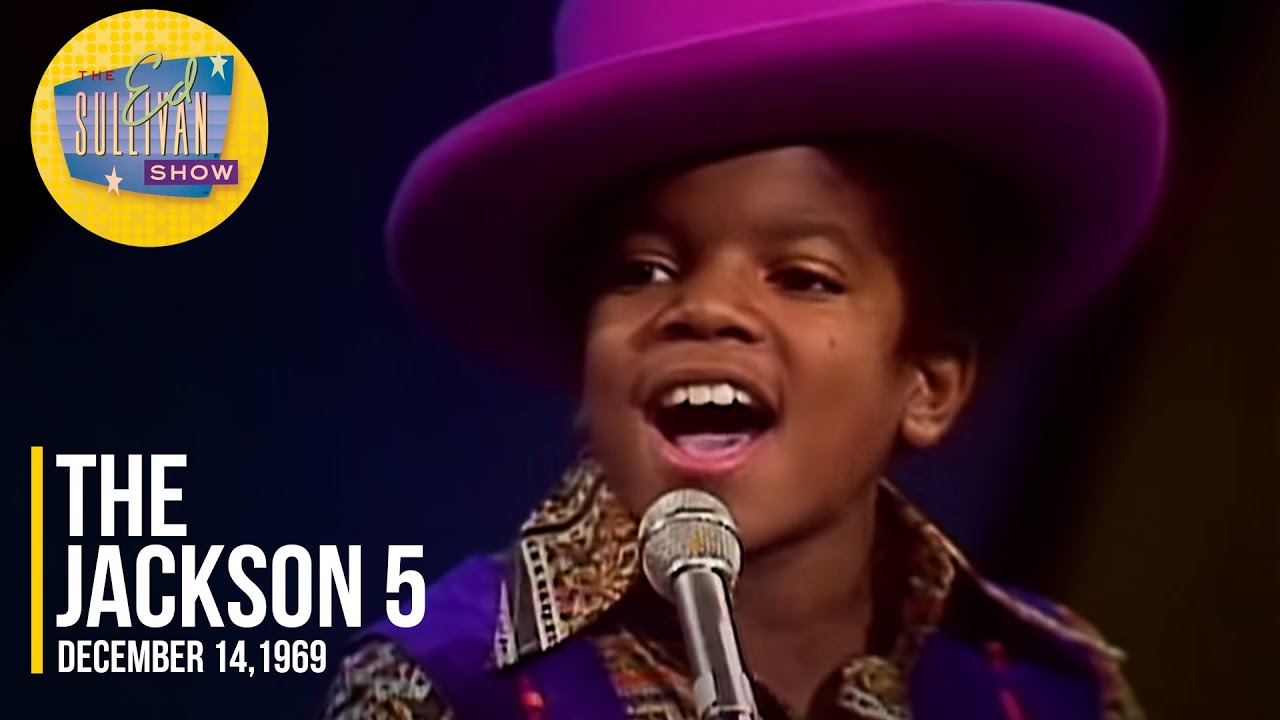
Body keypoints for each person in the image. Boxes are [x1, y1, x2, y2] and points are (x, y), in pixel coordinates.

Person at [323, 0, 1166, 718]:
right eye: (643, 271)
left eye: (803, 277)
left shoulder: (1049, 687)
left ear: (930, 384)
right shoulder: (444, 685)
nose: (706, 307)